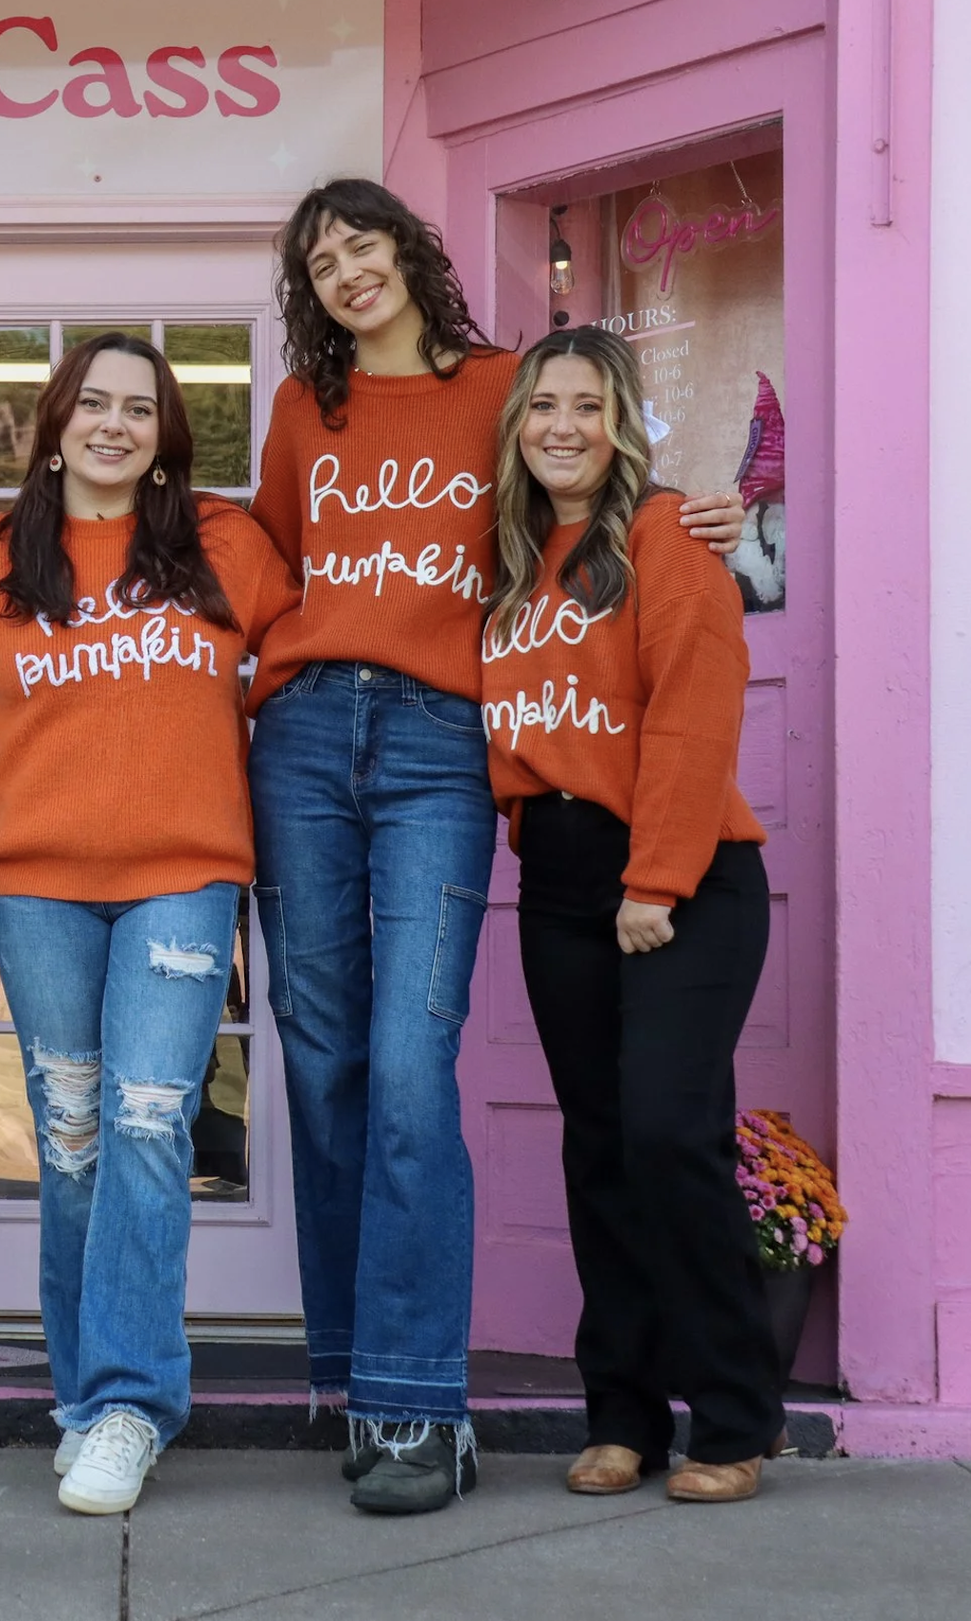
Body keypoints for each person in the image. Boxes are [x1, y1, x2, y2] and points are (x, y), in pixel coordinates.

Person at [244, 178, 748, 1514]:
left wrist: (691, 510)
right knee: (324, 1053)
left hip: (438, 741)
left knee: (412, 1060)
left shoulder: (498, 386)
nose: (349, 272)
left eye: (365, 247)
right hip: (300, 735)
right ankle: (355, 1375)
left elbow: (582, 484)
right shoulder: (308, 408)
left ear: (410, 254)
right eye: (322, 261)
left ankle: (422, 1402)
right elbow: (267, 559)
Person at [0, 333, 297, 1515]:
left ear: (167, 433)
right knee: (70, 1134)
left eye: (140, 408)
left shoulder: (225, 545)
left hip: (183, 878)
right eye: (93, 404)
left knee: (145, 1124)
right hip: (34, 883)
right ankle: (83, 1399)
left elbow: (309, 656)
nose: (115, 426)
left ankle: (133, 1401)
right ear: (55, 421)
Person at [479, 326, 783, 1503]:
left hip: (681, 878)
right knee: (598, 1148)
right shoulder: (506, 560)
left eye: (588, 406)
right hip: (554, 878)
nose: (562, 426)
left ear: (623, 424)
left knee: (667, 1135)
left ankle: (733, 1418)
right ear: (516, 427)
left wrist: (653, 879)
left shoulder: (664, 536)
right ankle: (620, 1414)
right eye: (542, 405)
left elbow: (697, 711)